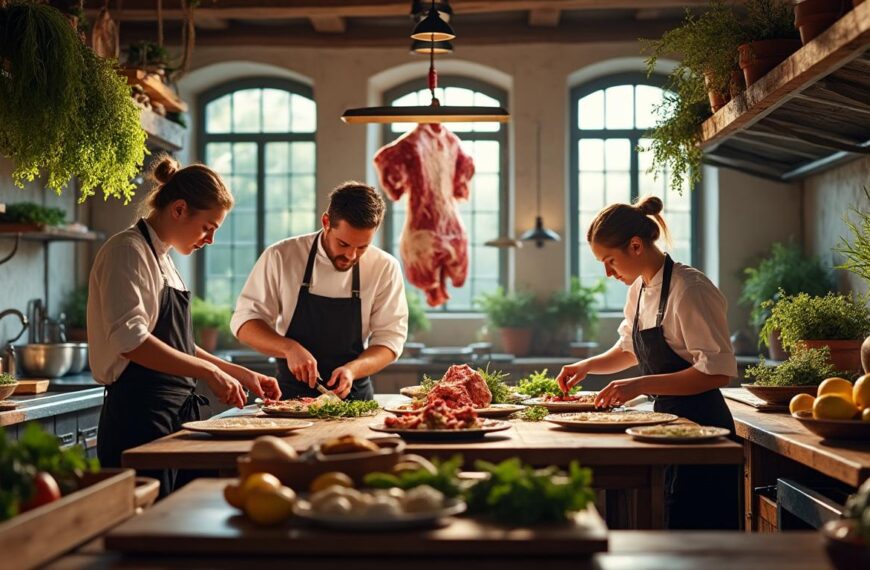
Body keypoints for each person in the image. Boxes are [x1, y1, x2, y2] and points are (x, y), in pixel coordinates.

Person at [89, 156, 281, 495]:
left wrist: (236, 372)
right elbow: (131, 341)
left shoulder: (163, 259)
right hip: (137, 419)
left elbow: (178, 345)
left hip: (173, 417)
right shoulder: (127, 252)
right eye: (208, 227)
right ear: (179, 209)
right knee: (146, 534)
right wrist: (209, 373)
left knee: (177, 517)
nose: (210, 240)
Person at [556, 196, 739, 530]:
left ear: (636, 246)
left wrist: (639, 385)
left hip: (703, 431)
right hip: (668, 426)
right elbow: (630, 350)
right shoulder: (639, 288)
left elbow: (716, 373)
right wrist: (587, 366)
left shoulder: (690, 289)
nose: (608, 273)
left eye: (609, 260)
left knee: (702, 539)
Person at [231, 181, 408, 401]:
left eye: (362, 247)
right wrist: (289, 348)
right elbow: (245, 323)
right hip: (291, 400)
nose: (351, 256)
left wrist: (353, 369)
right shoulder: (282, 256)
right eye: (343, 244)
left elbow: (390, 340)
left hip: (354, 401)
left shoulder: (384, 267)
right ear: (326, 222)